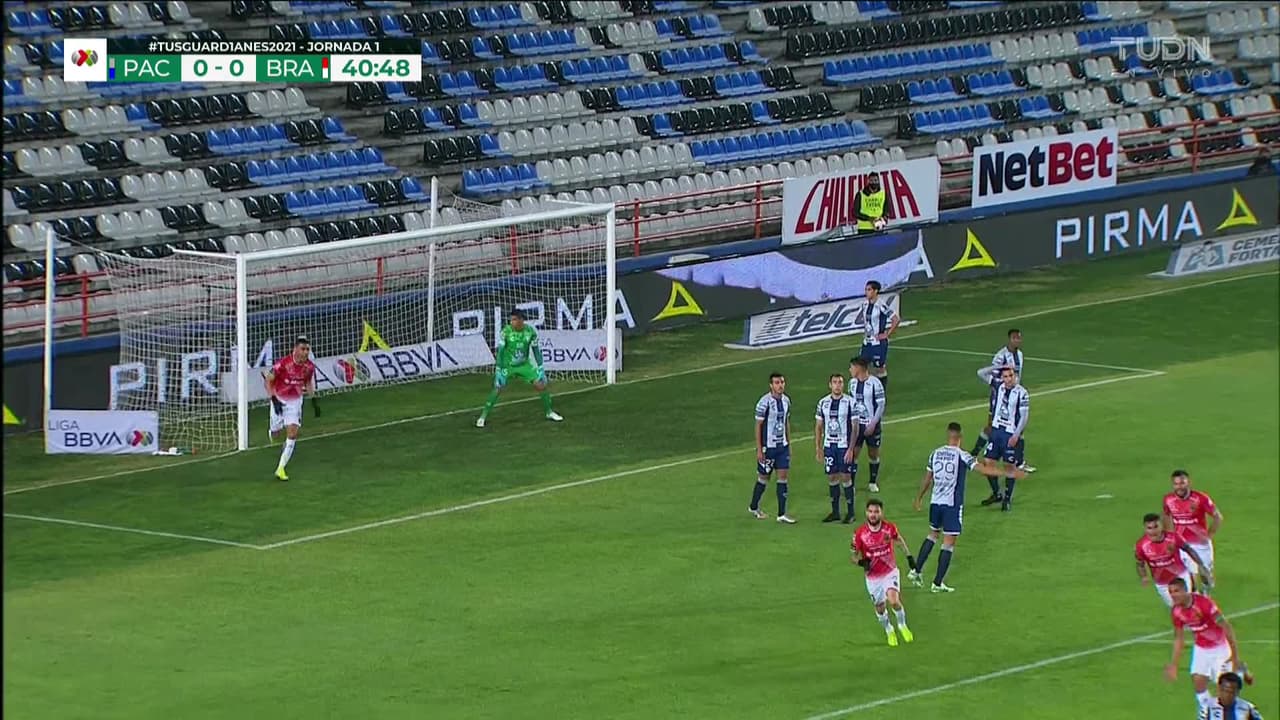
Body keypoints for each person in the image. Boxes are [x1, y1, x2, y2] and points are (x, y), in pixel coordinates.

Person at [910, 422, 1024, 592]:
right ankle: (937, 583)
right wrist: (1009, 473)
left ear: (948, 436)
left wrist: (919, 498)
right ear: (960, 438)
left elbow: (928, 478)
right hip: (952, 505)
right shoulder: (962, 455)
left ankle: (916, 571)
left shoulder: (936, 453)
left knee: (932, 535)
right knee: (948, 543)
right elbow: (984, 470)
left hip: (935, 502)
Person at [1166, 579, 1254, 713]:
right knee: (1198, 683)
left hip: (1220, 648)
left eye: (1176, 591)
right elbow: (1179, 638)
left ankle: (1241, 669)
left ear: (1185, 590)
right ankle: (1207, 713)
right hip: (1201, 649)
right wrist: (1174, 664)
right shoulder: (1176, 611)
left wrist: (1235, 657)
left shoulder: (1203, 604)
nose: (1173, 595)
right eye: (1171, 592)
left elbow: (1227, 627)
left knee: (1226, 689)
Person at [476, 310, 563, 428]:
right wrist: (498, 370)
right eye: (511, 320)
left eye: (514, 319)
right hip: (508, 366)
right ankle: (483, 416)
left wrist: (541, 367)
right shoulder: (506, 332)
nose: (512, 322)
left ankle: (549, 412)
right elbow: (500, 351)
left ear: (521, 320)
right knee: (498, 388)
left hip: (524, 365)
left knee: (540, 385)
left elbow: (536, 350)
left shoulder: (530, 332)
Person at [851, 498, 916, 646]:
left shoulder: (889, 528)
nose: (873, 515)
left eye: (876, 511)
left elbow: (898, 540)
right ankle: (889, 630)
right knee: (880, 608)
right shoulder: (860, 533)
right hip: (873, 578)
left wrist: (909, 556)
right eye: (870, 511)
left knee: (894, 600)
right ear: (866, 513)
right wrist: (861, 562)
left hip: (889, 572)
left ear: (881, 513)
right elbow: (853, 556)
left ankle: (902, 625)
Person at [265, 335, 316, 482]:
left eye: (307, 349)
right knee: (275, 433)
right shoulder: (282, 364)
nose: (306, 352)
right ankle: (273, 432)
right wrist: (273, 399)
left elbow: (307, 382)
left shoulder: (309, 367)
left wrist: (313, 400)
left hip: (295, 403)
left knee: (293, 433)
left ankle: (280, 468)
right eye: (303, 349)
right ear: (295, 349)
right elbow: (268, 380)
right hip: (279, 400)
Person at [1136, 512, 1211, 608]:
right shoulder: (1141, 545)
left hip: (1180, 576)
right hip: (1162, 583)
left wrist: (1201, 565)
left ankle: (1202, 614)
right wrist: (1144, 576)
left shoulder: (1173, 538)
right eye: (1149, 528)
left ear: (1161, 526)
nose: (1153, 531)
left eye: (1155, 527)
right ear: (1145, 529)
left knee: (1188, 603)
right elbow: (1140, 563)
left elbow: (1189, 549)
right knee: (1175, 608)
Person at [980, 366, 1029, 511]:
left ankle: (1007, 499)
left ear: (1015, 376)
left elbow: (1024, 416)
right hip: (996, 432)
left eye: (1010, 376)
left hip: (1009, 434)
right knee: (987, 465)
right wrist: (999, 367)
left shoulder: (1022, 393)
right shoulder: (998, 386)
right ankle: (997, 493)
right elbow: (980, 373)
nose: (1008, 379)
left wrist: (1016, 434)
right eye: (1005, 376)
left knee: (1009, 467)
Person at [1163, 469, 1222, 588]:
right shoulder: (1168, 500)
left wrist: (1209, 536)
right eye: (1176, 484)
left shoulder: (1200, 498)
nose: (1179, 487)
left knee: (1206, 576)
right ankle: (1194, 599)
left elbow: (1218, 517)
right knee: (1188, 576)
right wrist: (1169, 537)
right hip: (1182, 544)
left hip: (1201, 544)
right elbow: (1166, 515)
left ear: (1188, 483)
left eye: (1182, 483)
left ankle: (1206, 594)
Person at [971, 329, 1024, 458]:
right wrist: (999, 395)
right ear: (1010, 339)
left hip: (1014, 396)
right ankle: (975, 453)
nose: (1017, 341)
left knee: (1017, 426)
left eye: (1019, 338)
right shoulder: (1001, 356)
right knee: (991, 427)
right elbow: (992, 377)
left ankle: (1018, 460)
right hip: (999, 397)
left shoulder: (1020, 355)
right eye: (1015, 338)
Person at [750, 372, 794, 524]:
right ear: (771, 385)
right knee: (764, 478)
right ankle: (754, 507)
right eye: (777, 382)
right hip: (767, 448)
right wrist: (759, 448)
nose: (780, 385)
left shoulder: (787, 400)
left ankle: (782, 514)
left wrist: (789, 443)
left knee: (783, 478)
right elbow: (758, 426)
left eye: (782, 382)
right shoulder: (764, 402)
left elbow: (787, 422)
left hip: (782, 447)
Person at [815, 373, 858, 523]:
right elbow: (819, 427)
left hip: (844, 446)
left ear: (843, 385)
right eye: (835, 382)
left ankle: (851, 513)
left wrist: (851, 449)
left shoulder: (850, 402)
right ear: (830, 385)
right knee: (832, 477)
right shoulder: (823, 403)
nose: (837, 385)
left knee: (846, 477)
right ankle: (835, 512)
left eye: (840, 382)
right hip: (829, 447)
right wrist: (818, 448)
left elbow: (855, 427)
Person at [849, 357, 887, 493]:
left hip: (872, 425)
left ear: (859, 368)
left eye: (852, 367)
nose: (850, 370)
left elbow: (881, 404)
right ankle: (851, 484)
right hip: (857, 426)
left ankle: (872, 481)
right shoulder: (852, 383)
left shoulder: (875, 383)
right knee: (853, 454)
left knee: (873, 454)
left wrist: (873, 423)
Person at [859, 280, 899, 390]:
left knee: (879, 368)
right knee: (861, 366)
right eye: (866, 290)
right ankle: (865, 389)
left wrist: (887, 334)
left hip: (878, 343)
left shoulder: (881, 305)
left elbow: (896, 319)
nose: (866, 292)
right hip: (867, 342)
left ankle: (881, 391)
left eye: (869, 290)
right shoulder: (864, 305)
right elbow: (866, 322)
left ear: (876, 291)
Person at [1199, 672, 1264, 719]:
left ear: (1238, 692)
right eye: (1225, 691)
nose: (1227, 695)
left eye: (1232, 692)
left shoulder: (1248, 708)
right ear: (1219, 688)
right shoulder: (1207, 707)